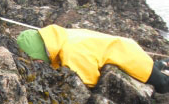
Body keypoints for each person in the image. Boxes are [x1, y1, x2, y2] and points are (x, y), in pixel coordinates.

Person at [17, 24, 169, 94]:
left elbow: (88, 79)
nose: (35, 64)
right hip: (124, 47)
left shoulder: (71, 52)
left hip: (128, 57)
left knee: (162, 84)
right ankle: (162, 64)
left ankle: (160, 68)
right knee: (153, 68)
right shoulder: (58, 38)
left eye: (34, 60)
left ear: (41, 53)